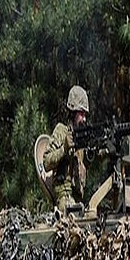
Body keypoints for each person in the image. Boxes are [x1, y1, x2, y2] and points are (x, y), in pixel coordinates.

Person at [44, 85, 89, 213]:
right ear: (73, 112)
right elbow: (46, 162)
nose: (84, 119)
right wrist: (64, 148)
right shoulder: (61, 131)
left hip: (77, 199)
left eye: (85, 115)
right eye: (81, 114)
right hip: (64, 199)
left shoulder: (81, 140)